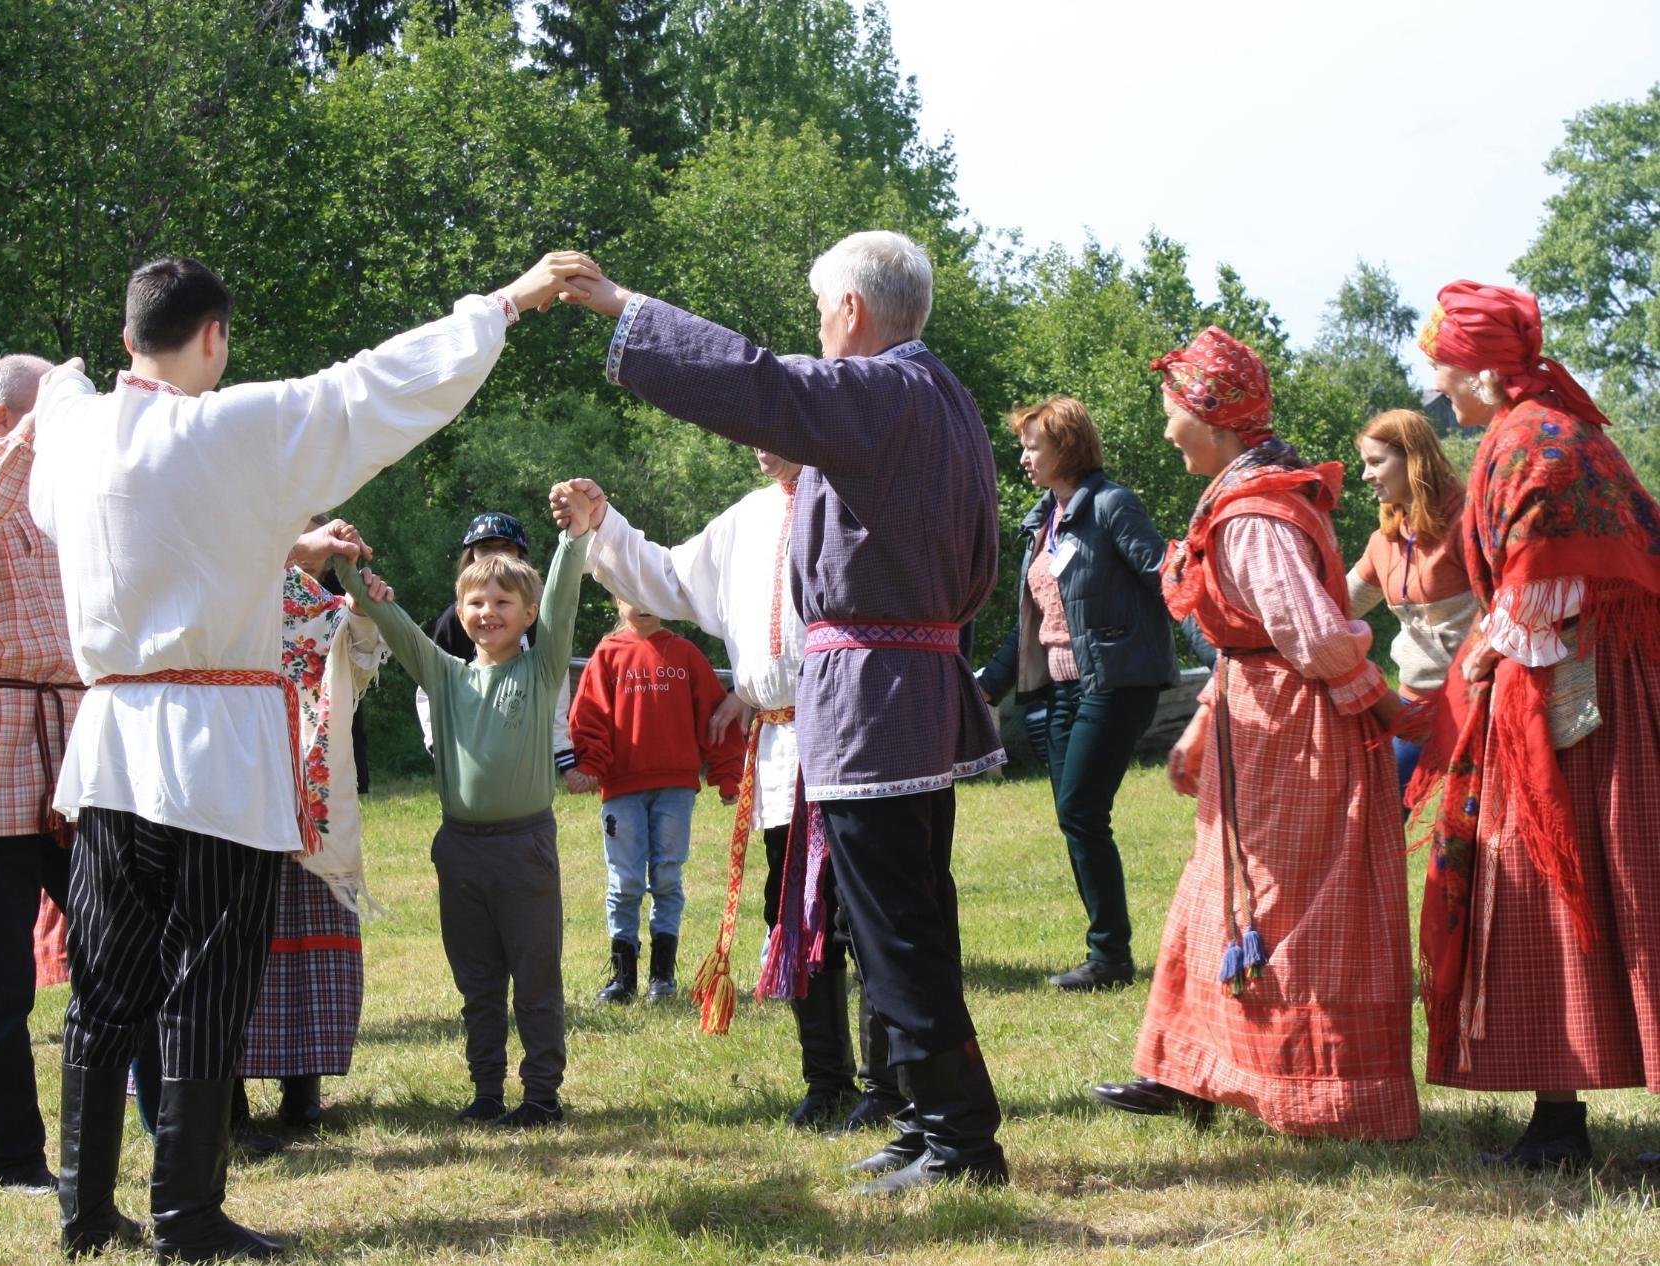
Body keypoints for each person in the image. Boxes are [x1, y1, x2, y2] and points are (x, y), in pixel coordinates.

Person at [28, 248, 599, 1260]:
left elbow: (71, 418)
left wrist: (73, 381)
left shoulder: (71, 439)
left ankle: (82, 1213)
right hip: (216, 755)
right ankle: (185, 1216)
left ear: (129, 339)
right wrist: (506, 301)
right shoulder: (236, 427)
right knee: (206, 979)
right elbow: (376, 387)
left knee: (106, 982)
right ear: (214, 337)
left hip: (112, 743)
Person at [555, 229, 1009, 1193]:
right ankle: (930, 1122)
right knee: (908, 916)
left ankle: (961, 1140)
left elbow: (759, 382)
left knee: (894, 926)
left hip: (875, 701)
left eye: (819, 314)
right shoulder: (945, 396)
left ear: (849, 311)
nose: (815, 331)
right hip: (912, 687)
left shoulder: (881, 389)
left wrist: (619, 304)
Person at [1092, 326, 1419, 1141]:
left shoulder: (1255, 514)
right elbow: (1258, 640)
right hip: (1261, 712)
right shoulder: (1246, 496)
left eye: (1172, 412)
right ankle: (1188, 1072)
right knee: (1223, 887)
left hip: (1295, 723)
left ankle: (1317, 1090)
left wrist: (1387, 709)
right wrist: (1205, 722)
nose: (1167, 430)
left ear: (1214, 417)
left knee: (1288, 902)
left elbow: (1309, 635)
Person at [561, 449, 900, 1130]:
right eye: (752, 430)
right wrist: (603, 522)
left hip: (854, 736)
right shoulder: (746, 517)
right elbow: (669, 577)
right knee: (796, 915)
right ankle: (826, 1078)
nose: (760, 444)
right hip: (781, 750)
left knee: (860, 919)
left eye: (774, 428)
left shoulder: (861, 495)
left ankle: (887, 1087)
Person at [1412, 281, 1660, 1168]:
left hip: (1582, 704)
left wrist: (1480, 658)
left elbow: (1546, 586)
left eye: (1439, 360)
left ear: (1476, 366)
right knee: (1548, 903)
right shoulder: (1549, 428)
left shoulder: (1539, 439)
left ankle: (1562, 1124)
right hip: (1567, 692)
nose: (1433, 378)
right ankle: (1557, 1123)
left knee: (1607, 890)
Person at [333, 508, 589, 1129]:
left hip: (524, 849)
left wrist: (573, 538)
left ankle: (541, 1096)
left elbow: (562, 601)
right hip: (460, 850)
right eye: (477, 600)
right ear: (460, 611)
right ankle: (485, 1091)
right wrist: (347, 563)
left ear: (527, 615)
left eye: (504, 601)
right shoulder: (443, 675)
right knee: (477, 984)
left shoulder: (541, 665)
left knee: (534, 979)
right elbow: (391, 622)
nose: (489, 611)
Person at [976, 396, 1178, 993]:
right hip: (1059, 689)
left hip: (1115, 682)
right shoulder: (1045, 521)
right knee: (1076, 816)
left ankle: (1109, 956)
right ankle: (1106, 950)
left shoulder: (1113, 505)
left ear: (1066, 446)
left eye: (1032, 446)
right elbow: (1030, 621)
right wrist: (984, 687)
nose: (1022, 457)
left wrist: (1222, 658)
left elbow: (1167, 578)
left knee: (1081, 810)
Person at [235, 529, 390, 1134]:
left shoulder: (313, 601)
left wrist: (364, 612)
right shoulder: (226, 579)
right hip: (235, 785)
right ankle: (225, 1095)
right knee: (230, 936)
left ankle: (304, 1091)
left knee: (305, 930)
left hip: (303, 795)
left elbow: (359, 655)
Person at [0, 354, 83, 1198]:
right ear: (9, 422)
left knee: (128, 940)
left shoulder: (64, 506)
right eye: (51, 404)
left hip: (81, 741)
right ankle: (8, 1157)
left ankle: (171, 1124)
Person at [568, 595, 744, 1004]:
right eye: (631, 594)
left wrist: (727, 774)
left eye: (651, 594)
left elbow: (717, 716)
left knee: (667, 877)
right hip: (622, 789)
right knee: (625, 880)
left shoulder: (684, 654)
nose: (642, 604)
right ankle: (622, 978)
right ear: (615, 598)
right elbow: (589, 716)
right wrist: (591, 766)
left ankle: (662, 978)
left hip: (675, 789)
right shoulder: (607, 655)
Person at [1345, 409, 1475, 792]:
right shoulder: (1383, 542)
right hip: (1412, 707)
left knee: (1479, 829)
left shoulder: (1468, 524)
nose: (1366, 475)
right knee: (1377, 806)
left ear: (1414, 459)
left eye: (1376, 462)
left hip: (1476, 704)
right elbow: (1336, 609)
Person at [418, 511, 584, 792]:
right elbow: (430, 687)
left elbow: (556, 687)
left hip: (526, 752)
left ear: (521, 556)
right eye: (485, 548)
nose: (496, 555)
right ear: (470, 556)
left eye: (505, 547)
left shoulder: (539, 618)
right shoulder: (456, 621)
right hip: (471, 747)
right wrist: (439, 743)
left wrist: (562, 751)